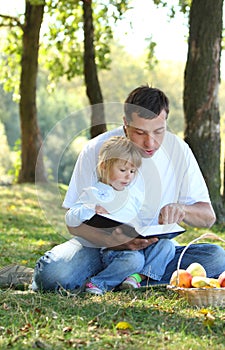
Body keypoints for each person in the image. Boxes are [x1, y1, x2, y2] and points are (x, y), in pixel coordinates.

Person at [32, 84, 225, 293]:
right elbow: (74, 224)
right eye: (140, 132)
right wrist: (113, 241)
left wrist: (183, 210)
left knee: (216, 258)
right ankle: (129, 277)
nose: (150, 142)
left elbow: (208, 217)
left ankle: (122, 278)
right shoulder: (97, 150)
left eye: (159, 131)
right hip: (101, 249)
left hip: (155, 251)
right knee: (53, 275)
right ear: (125, 124)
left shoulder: (179, 151)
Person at [65, 136, 175, 295]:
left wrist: (156, 224)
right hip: (115, 251)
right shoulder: (93, 193)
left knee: (167, 246)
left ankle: (136, 278)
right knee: (134, 260)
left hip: (138, 245)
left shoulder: (133, 195)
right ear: (104, 166)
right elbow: (70, 217)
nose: (128, 176)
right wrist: (90, 209)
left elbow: (140, 219)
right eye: (123, 170)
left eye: (132, 171)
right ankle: (98, 283)